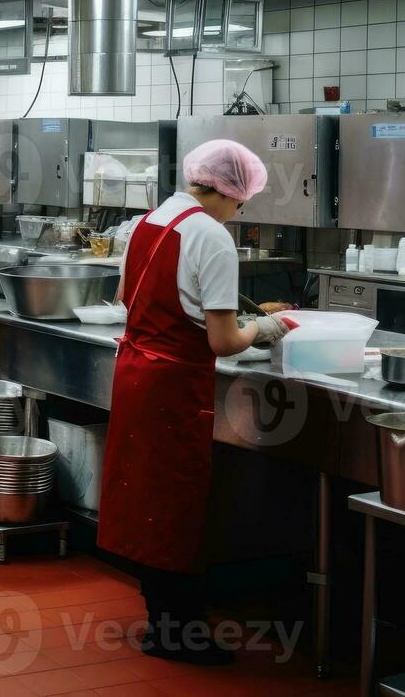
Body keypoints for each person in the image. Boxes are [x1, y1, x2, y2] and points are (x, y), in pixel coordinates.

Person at [98, 139, 290, 665]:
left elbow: (125, 297)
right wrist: (266, 327)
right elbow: (223, 341)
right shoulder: (211, 235)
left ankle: (162, 618)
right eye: (242, 201)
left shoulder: (146, 222)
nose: (239, 211)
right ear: (228, 191)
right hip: (175, 384)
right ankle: (177, 633)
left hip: (135, 372)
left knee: (144, 495)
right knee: (175, 498)